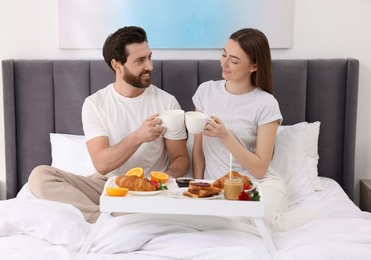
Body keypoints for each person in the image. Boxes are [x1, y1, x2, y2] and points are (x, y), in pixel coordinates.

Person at [29, 26, 190, 223]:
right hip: (107, 185)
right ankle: (108, 218)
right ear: (117, 65)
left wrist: (162, 179)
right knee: (39, 176)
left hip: (151, 188)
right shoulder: (95, 104)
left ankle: (113, 216)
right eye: (140, 61)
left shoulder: (167, 102)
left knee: (160, 199)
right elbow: (102, 164)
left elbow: (181, 158)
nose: (150, 66)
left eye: (149, 57)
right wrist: (138, 136)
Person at [191, 28, 322, 231]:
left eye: (234, 60)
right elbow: (198, 150)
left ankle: (322, 220)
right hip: (218, 187)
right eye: (224, 54)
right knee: (217, 222)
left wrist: (226, 136)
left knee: (264, 221)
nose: (224, 63)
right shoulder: (206, 91)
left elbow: (260, 169)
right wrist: (198, 186)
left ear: (254, 66)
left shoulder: (266, 104)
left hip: (258, 185)